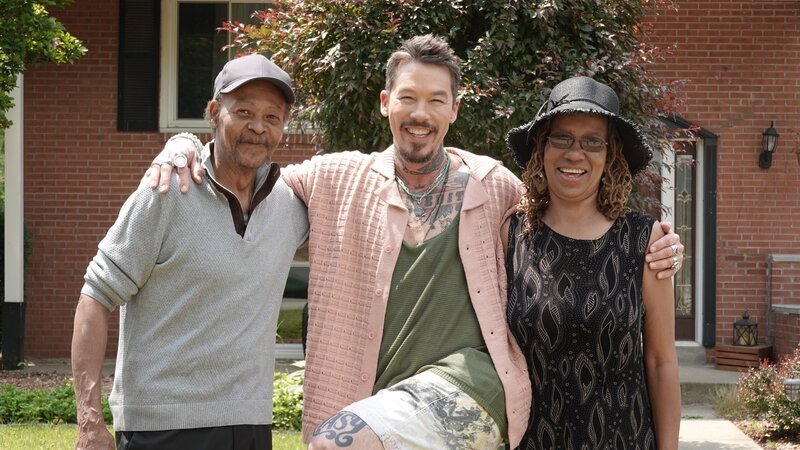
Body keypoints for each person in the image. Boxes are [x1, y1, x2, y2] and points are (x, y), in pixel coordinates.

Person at [149, 35, 684, 449]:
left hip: (472, 389)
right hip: (380, 403)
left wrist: (659, 244)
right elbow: (250, 178)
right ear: (386, 103)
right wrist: (186, 146)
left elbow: (575, 213)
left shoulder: (493, 186)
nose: (421, 113)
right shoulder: (338, 178)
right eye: (408, 98)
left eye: (436, 100)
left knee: (338, 443)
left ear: (454, 109)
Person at [71, 54, 309, 450]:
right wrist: (89, 422)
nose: (257, 127)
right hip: (161, 428)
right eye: (244, 111)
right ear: (215, 113)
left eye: (272, 116)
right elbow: (94, 298)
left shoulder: (289, 204)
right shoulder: (164, 192)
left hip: (250, 425)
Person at [504, 76, 681, 449]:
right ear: (541, 147)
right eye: (562, 137)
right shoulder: (509, 236)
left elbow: (661, 362)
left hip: (626, 439)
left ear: (609, 156)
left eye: (592, 142)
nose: (574, 153)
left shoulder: (644, 240)